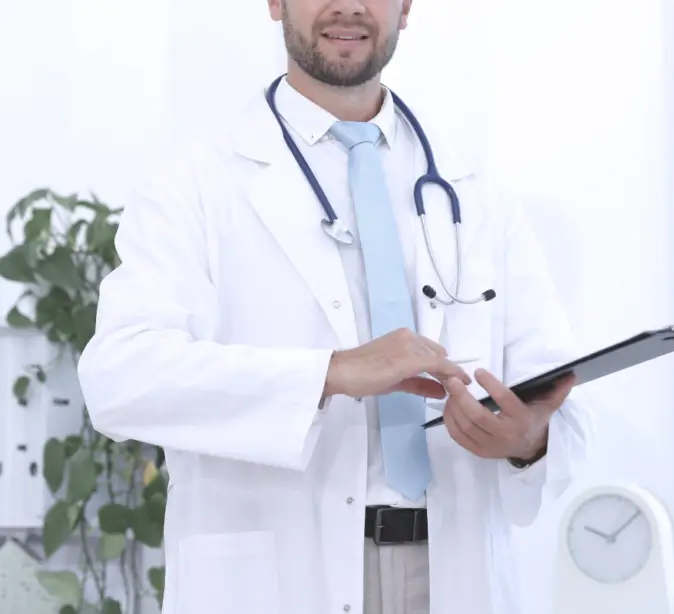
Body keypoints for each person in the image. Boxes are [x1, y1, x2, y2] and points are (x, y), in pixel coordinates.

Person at [77, 0, 595, 613]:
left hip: (454, 573)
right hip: (280, 578)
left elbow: (557, 399)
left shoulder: (475, 190)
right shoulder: (195, 184)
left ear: (405, 7)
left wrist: (527, 438)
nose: (348, 6)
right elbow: (119, 378)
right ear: (275, 3)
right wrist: (329, 373)